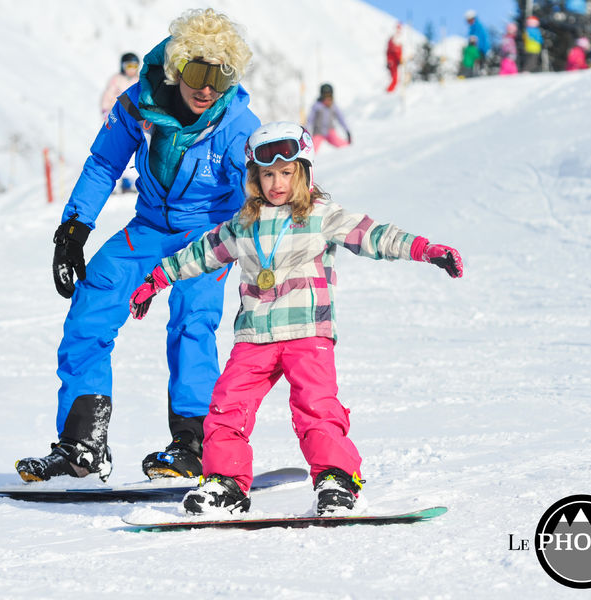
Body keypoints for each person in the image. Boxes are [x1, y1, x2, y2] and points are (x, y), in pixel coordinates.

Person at [128, 122, 464, 516]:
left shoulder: (321, 216)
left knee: (316, 407)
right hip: (254, 335)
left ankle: (336, 480)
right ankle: (224, 484)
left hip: (307, 332)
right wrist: (157, 278)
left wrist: (425, 249)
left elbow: (375, 235)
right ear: (254, 177)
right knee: (226, 406)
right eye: (267, 174)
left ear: (303, 172)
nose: (277, 183)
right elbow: (200, 252)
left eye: (286, 172)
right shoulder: (243, 224)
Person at [15, 8, 260, 484]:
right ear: (177, 67)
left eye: (221, 74)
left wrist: (261, 249)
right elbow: (103, 163)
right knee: (92, 304)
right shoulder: (138, 104)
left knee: (194, 317)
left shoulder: (237, 125)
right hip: (148, 227)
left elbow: (257, 194)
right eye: (197, 71)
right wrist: (73, 229)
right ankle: (82, 442)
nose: (207, 87)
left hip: (208, 232)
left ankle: (193, 442)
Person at [99, 52, 141, 194]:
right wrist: (106, 112)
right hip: (118, 118)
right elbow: (108, 95)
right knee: (116, 149)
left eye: (134, 66)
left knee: (133, 149)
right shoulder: (117, 80)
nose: (131, 69)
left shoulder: (139, 80)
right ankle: (111, 182)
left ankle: (129, 181)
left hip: (134, 119)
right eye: (128, 65)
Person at [305, 83, 351, 152]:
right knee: (311, 150)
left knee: (343, 145)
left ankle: (351, 150)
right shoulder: (317, 106)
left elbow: (341, 119)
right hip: (318, 132)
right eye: (325, 96)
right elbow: (310, 120)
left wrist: (347, 130)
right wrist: (306, 131)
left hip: (330, 131)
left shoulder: (333, 106)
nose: (327, 99)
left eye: (329, 96)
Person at [386, 23, 403, 92]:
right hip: (393, 62)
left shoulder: (399, 41)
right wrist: (389, 61)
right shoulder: (393, 40)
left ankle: (391, 91)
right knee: (394, 78)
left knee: (397, 78)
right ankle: (389, 91)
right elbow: (390, 52)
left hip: (397, 61)